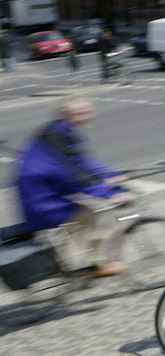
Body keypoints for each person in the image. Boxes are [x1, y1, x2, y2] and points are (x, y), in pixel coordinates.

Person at [16, 99, 135, 277]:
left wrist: (111, 175)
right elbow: (74, 175)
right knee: (92, 217)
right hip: (40, 198)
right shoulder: (58, 137)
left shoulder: (61, 131)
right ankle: (99, 263)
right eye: (82, 113)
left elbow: (83, 162)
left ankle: (60, 265)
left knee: (77, 222)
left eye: (88, 112)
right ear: (67, 115)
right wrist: (110, 194)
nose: (88, 117)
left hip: (45, 193)